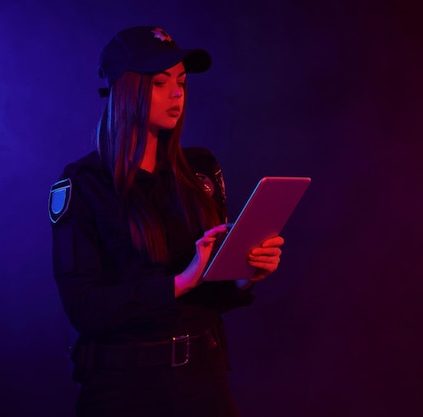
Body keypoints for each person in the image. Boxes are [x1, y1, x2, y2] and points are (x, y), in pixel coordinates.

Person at [49, 25, 285, 417]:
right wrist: (179, 283)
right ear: (125, 91)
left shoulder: (200, 171)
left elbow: (211, 293)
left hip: (204, 380)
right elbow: (84, 308)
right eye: (160, 82)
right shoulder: (81, 185)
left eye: (181, 81)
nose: (178, 94)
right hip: (124, 390)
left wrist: (245, 274)